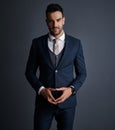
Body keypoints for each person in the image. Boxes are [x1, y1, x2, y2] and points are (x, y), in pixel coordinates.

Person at [25, 3, 87, 130]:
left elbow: (82, 73)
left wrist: (71, 90)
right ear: (46, 22)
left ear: (63, 19)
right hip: (43, 103)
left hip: (68, 105)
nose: (55, 25)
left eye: (58, 20)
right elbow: (29, 72)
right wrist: (42, 90)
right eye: (51, 21)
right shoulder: (37, 43)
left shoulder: (76, 44)